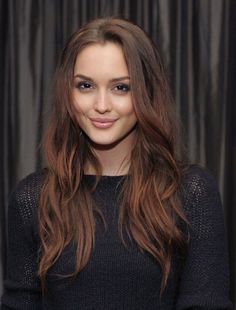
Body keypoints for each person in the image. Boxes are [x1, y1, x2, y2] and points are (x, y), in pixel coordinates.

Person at [1, 17, 232, 309]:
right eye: (85, 86)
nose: (101, 105)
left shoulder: (191, 194)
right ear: (67, 93)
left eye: (121, 88)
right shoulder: (32, 199)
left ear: (147, 93)